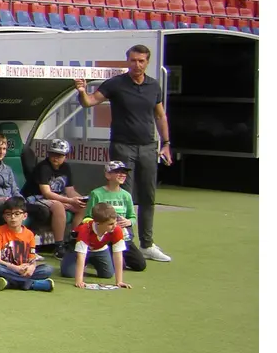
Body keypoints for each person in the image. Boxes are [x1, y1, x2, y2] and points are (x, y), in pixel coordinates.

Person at [73, 44, 174, 262]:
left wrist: (166, 143)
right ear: (127, 61)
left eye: (141, 61)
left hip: (148, 146)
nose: (137, 65)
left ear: (147, 62)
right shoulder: (116, 84)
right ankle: (124, 243)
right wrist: (81, 91)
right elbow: (90, 102)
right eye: (133, 60)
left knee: (148, 196)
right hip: (122, 146)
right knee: (121, 197)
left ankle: (147, 245)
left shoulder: (153, 86)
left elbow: (160, 116)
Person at [22, 139, 87, 247]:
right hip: (35, 198)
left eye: (60, 155)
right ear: (48, 153)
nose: (56, 157)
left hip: (56, 197)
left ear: (65, 156)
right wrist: (70, 200)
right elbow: (46, 193)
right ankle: (59, 245)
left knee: (82, 206)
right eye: (53, 153)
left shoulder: (66, 167)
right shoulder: (43, 167)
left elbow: (70, 190)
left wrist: (82, 199)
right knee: (58, 206)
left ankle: (74, 238)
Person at [86, 161, 148, 273]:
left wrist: (128, 222)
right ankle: (95, 258)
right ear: (108, 175)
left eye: (124, 172)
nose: (122, 175)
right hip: (104, 239)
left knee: (140, 265)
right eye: (118, 172)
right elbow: (88, 218)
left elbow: (132, 217)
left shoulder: (126, 195)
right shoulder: (96, 194)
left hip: (123, 237)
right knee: (119, 266)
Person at [0, 198, 54, 292]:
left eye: (17, 214)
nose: (13, 217)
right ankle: (33, 284)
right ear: (4, 217)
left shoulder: (29, 234)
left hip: (24, 270)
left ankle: (10, 283)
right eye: (8, 214)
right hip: (9, 269)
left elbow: (32, 259)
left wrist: (32, 267)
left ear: (25, 216)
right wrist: (16, 268)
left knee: (48, 269)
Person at [61, 204, 134, 289]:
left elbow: (118, 254)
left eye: (115, 222)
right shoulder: (85, 229)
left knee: (107, 274)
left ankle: (90, 262)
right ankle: (81, 264)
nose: (114, 226)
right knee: (68, 273)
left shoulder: (116, 229)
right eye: (110, 224)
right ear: (98, 223)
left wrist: (119, 281)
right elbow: (81, 256)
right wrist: (79, 280)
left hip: (100, 249)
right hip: (77, 250)